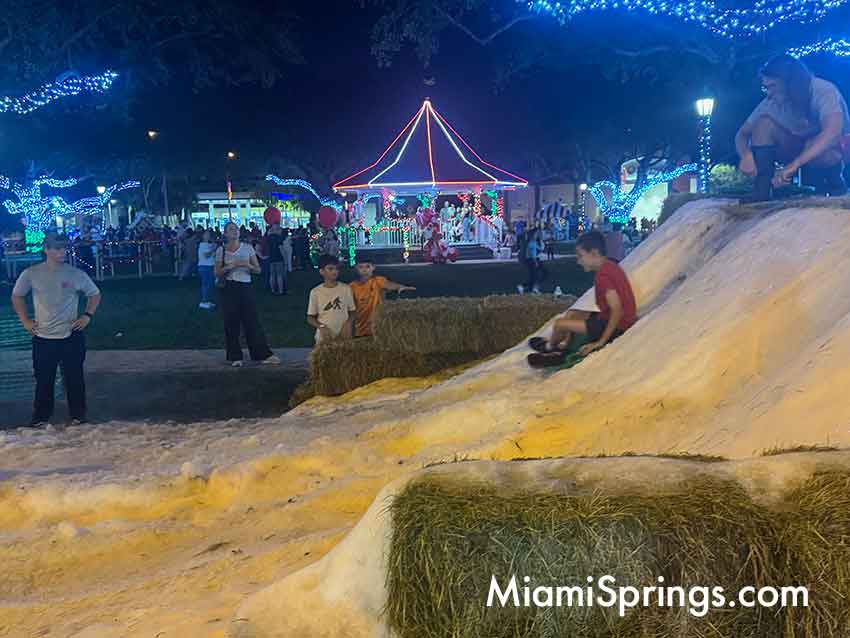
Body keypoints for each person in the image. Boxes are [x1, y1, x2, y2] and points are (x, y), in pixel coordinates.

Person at [11, 234, 101, 426]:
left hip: (71, 335)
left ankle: (78, 416)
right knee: (44, 379)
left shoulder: (75, 273)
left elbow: (94, 294)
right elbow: (17, 296)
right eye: (57, 249)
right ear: (46, 249)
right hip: (43, 336)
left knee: (74, 377)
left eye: (64, 248)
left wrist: (87, 315)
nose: (62, 252)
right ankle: (41, 417)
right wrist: (25, 321)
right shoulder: (32, 273)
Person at [736, 54, 850, 201]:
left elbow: (832, 132)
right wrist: (745, 155)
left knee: (819, 146)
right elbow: (741, 135)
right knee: (763, 124)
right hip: (797, 147)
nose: (768, 94)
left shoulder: (823, 90)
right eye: (765, 88)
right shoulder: (770, 102)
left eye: (773, 87)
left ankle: (833, 183)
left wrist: (793, 165)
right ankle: (762, 189)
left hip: (835, 150)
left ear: (791, 83)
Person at [527, 230, 637, 368]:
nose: (578, 261)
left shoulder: (603, 277)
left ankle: (550, 348)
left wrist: (601, 341)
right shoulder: (609, 265)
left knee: (560, 324)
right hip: (614, 318)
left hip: (618, 325)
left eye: (580, 256)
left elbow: (617, 309)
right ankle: (564, 345)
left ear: (594, 253)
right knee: (572, 313)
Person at [214, 222, 280, 367]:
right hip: (229, 287)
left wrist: (246, 265)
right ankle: (234, 356)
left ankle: (261, 353)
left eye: (236, 229)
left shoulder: (248, 248)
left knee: (251, 320)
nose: (234, 231)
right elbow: (217, 272)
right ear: (225, 233)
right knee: (231, 321)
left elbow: (258, 270)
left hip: (245, 286)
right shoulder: (222, 250)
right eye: (231, 229)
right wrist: (229, 267)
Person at [350, 257, 416, 337]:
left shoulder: (378, 281)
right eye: (361, 267)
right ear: (356, 268)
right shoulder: (352, 286)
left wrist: (402, 287)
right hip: (359, 326)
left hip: (377, 327)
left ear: (373, 267)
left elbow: (391, 285)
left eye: (367, 266)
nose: (364, 270)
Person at [307, 255, 356, 344]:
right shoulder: (316, 292)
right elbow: (310, 317)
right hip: (324, 337)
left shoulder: (346, 289)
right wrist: (321, 327)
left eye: (336, 269)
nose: (335, 271)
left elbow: (352, 311)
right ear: (322, 271)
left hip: (344, 335)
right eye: (330, 269)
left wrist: (348, 324)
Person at [197, 230, 217, 309]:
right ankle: (204, 301)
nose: (208, 236)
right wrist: (213, 249)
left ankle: (208, 300)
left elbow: (211, 255)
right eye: (206, 234)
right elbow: (206, 255)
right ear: (203, 236)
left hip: (209, 266)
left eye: (209, 234)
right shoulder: (203, 245)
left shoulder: (208, 244)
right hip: (205, 267)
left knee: (210, 284)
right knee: (206, 284)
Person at [266, 224, 287, 296]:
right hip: (278, 257)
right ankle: (280, 291)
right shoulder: (278, 238)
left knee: (272, 275)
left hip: (271, 257)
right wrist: (285, 259)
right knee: (279, 275)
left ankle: (272, 290)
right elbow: (281, 249)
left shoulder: (268, 237)